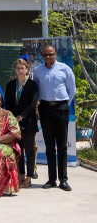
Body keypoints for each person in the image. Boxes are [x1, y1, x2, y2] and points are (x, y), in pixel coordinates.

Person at [34, 45, 76, 191]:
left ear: (55, 54)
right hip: (45, 108)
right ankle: (52, 179)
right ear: (42, 56)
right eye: (45, 55)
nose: (48, 57)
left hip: (61, 108)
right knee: (49, 145)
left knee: (63, 145)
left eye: (50, 54)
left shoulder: (65, 69)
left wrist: (63, 105)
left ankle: (63, 180)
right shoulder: (37, 71)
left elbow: (72, 90)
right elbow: (36, 90)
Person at [5, 58, 39, 188]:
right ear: (15, 69)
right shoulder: (10, 85)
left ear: (27, 69)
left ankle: (29, 178)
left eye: (22, 68)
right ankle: (20, 176)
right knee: (18, 151)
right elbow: (7, 102)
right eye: (18, 68)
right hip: (14, 124)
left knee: (29, 151)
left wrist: (21, 117)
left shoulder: (32, 85)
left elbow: (33, 104)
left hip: (28, 123)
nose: (20, 70)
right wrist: (13, 118)